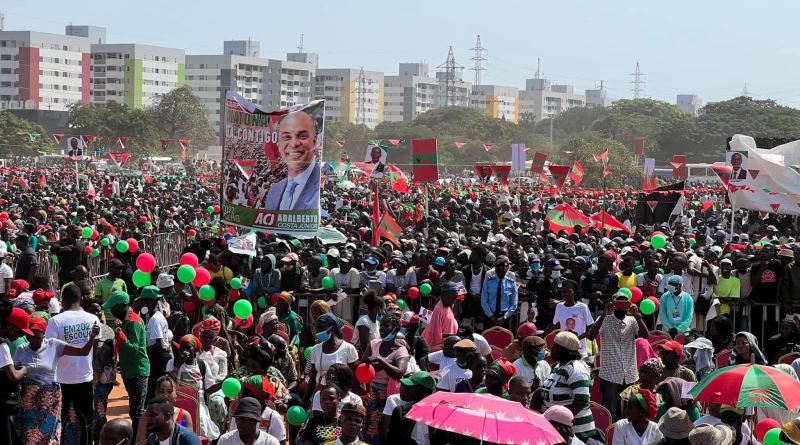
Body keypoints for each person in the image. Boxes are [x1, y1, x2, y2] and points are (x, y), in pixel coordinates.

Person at [14, 315, 98, 445]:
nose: (33, 339)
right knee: (29, 433)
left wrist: (92, 337)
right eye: (30, 336)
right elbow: (14, 373)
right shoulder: (21, 349)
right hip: (28, 400)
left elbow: (83, 352)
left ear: (44, 335)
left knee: (48, 431)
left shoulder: (54, 344)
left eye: (37, 336)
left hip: (50, 398)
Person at [44, 284, 100, 445]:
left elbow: (50, 351)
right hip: (85, 378)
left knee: (60, 421)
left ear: (63, 301)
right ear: (80, 299)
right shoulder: (93, 319)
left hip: (61, 380)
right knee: (86, 422)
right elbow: (94, 352)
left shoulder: (55, 321)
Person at [588, 293, 649, 422]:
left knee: (630, 414)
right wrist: (603, 315)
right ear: (613, 304)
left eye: (624, 303)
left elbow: (645, 336)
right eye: (618, 303)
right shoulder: (604, 319)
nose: (621, 307)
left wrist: (637, 315)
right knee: (611, 414)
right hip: (610, 375)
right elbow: (591, 336)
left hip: (630, 375)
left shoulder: (632, 320)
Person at [104, 290, 150, 439]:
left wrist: (119, 332)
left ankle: (138, 440)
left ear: (124, 306)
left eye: (114, 307)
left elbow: (133, 349)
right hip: (130, 371)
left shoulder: (133, 322)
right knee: (135, 411)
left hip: (138, 371)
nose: (111, 310)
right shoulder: (125, 320)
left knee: (137, 413)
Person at [537, 331, 595, 441]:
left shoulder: (576, 368)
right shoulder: (558, 366)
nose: (551, 348)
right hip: (557, 429)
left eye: (555, 346)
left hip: (576, 430)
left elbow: (581, 399)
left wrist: (564, 422)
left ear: (565, 351)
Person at [360, 313, 408, 445]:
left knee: (387, 428)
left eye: (386, 326)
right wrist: (388, 363)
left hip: (390, 394)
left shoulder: (400, 350)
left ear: (395, 328)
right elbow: (363, 368)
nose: (382, 329)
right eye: (381, 326)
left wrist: (380, 361)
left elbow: (399, 373)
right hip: (373, 394)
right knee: (371, 428)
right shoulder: (374, 344)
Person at [264, 111, 321, 211]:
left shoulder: (321, 187)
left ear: (314, 142)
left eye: (302, 136)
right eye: (286, 137)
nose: (294, 144)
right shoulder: (274, 191)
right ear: (279, 144)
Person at [303, 313, 359, 407]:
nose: (318, 331)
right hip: (321, 394)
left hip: (341, 396)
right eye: (317, 328)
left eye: (321, 328)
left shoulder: (348, 349)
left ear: (331, 328)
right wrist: (305, 399)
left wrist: (354, 402)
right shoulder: (316, 349)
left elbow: (355, 379)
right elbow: (313, 378)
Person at [0, 301, 31, 445]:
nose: (20, 337)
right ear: (12, 329)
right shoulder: (2, 346)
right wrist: (25, 369)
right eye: (21, 332)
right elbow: (13, 376)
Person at [137, 285, 171, 403]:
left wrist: (142, 350)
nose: (141, 303)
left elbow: (159, 344)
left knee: (153, 389)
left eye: (142, 301)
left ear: (149, 302)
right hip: (160, 357)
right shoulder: (156, 316)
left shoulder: (155, 320)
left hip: (159, 358)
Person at [543, 279, 594, 355]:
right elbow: (554, 324)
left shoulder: (582, 307)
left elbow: (591, 328)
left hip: (580, 350)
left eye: (569, 291)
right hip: (564, 348)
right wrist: (542, 336)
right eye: (563, 291)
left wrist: (577, 339)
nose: (566, 294)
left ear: (574, 292)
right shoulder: (559, 306)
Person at [386, 372, 438, 445]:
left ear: (424, 391)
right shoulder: (400, 412)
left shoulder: (440, 415)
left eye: (410, 387)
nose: (405, 389)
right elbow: (391, 440)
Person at [480, 256, 518, 329]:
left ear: (507, 269)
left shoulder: (511, 283)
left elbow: (514, 303)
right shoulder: (488, 281)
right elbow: (484, 300)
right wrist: (492, 317)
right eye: (499, 269)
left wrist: (504, 317)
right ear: (496, 269)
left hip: (505, 316)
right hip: (490, 315)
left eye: (503, 269)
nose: (501, 271)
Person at [420, 282, 458, 348]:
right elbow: (435, 334)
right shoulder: (439, 310)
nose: (454, 301)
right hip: (436, 347)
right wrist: (449, 337)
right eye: (452, 299)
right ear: (445, 296)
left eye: (455, 299)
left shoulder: (448, 307)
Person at [94, 259, 128, 327]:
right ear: (110, 269)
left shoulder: (122, 282)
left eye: (121, 268)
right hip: (107, 319)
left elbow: (126, 301)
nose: (120, 271)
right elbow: (98, 302)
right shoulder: (100, 284)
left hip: (119, 319)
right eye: (117, 268)